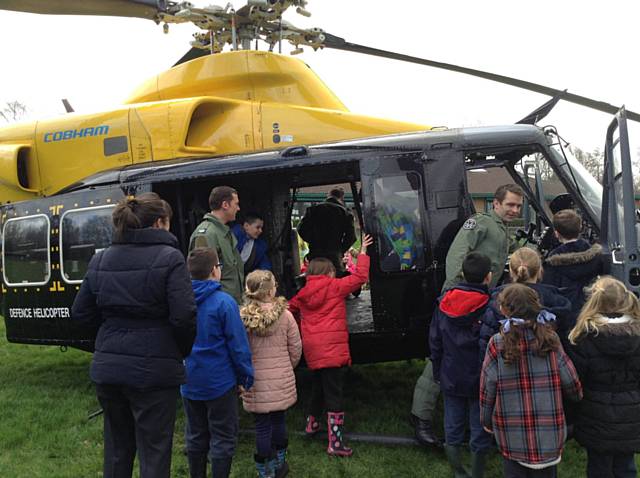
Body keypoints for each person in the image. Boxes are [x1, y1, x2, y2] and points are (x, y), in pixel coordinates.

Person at [71, 193, 197, 478]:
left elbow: (80, 314)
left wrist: (105, 345)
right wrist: (180, 351)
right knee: (154, 452)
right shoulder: (171, 257)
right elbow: (184, 316)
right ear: (160, 222)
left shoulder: (101, 259)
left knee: (117, 451)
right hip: (154, 371)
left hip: (110, 370)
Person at [411, 183, 525, 446]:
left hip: (479, 304)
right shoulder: (481, 223)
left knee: (468, 359)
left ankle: (472, 421)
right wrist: (457, 292)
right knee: (442, 359)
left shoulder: (499, 229)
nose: (514, 210)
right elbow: (457, 254)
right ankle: (421, 417)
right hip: (460, 303)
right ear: (496, 204)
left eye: (518, 206)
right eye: (509, 204)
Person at [480, 283, 583, 477]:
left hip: (512, 436)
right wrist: (576, 399)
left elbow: (487, 388)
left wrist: (486, 420)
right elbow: (572, 382)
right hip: (548, 434)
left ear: (503, 310)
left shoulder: (496, 343)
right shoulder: (551, 339)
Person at [288, 233, 373, 457]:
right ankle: (335, 442)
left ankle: (311, 424)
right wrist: (363, 251)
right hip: (333, 349)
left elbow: (289, 310)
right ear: (329, 272)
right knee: (334, 393)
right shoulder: (336, 287)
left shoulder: (302, 294)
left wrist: (298, 327)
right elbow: (361, 277)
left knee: (318, 386)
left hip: (313, 348)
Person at [181, 247, 254, 478]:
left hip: (189, 380)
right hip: (220, 382)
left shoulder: (179, 302)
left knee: (195, 434)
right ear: (215, 270)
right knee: (223, 436)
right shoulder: (224, 303)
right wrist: (245, 377)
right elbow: (238, 346)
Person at [567, 277, 640, 478]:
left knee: (599, 468)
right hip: (631, 413)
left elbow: (576, 381)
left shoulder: (584, 338)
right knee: (626, 466)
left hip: (594, 414)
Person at [430, 252, 494, 478]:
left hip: (450, 371)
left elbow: (435, 341)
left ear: (462, 274)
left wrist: (438, 370)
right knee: (479, 426)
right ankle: (476, 473)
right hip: (480, 375)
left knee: (452, 422)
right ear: (488, 277)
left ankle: (458, 471)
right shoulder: (490, 306)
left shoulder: (443, 303)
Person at [240, 270, 302, 478]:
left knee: (262, 427)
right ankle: (279, 464)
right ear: (269, 291)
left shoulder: (243, 319)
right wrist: (287, 367)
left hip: (254, 381)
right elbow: (295, 348)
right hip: (280, 378)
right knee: (278, 421)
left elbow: (240, 350)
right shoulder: (285, 316)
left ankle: (264, 472)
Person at [480, 247, 572, 353]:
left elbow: (485, 341)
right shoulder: (555, 301)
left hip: (505, 363)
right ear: (539, 270)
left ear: (511, 271)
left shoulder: (498, 299)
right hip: (546, 363)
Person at [542, 208, 603, 325]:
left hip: (565, 316)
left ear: (556, 233)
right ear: (580, 228)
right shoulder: (595, 256)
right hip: (590, 313)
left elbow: (549, 291)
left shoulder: (553, 261)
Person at [189, 185, 244, 304]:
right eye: (236, 204)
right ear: (225, 205)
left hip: (230, 302)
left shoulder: (224, 231)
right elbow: (202, 277)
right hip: (218, 306)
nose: (238, 208)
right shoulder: (207, 234)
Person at [297, 187, 356, 272]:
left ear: (328, 195)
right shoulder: (346, 213)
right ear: (342, 198)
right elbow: (351, 237)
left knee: (315, 279)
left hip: (315, 253)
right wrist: (340, 249)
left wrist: (313, 241)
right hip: (334, 255)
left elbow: (301, 228)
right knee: (336, 280)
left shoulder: (313, 210)